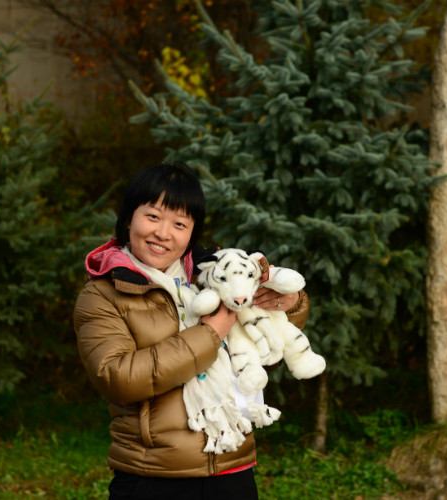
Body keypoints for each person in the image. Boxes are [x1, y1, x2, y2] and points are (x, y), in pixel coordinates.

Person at [73, 163, 310, 499]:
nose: (163, 232)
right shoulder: (102, 294)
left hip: (232, 466)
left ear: (192, 233)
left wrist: (289, 302)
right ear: (129, 219)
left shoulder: (214, 277)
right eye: (153, 216)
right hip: (153, 476)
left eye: (179, 223)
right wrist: (210, 334)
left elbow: (261, 349)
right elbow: (119, 378)